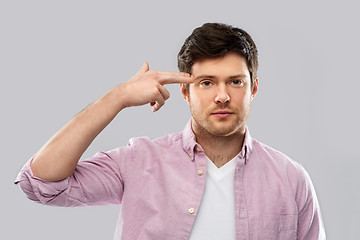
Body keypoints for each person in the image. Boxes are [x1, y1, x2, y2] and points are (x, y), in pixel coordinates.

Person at [15, 23, 326, 240]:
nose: (221, 96)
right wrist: (118, 96)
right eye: (206, 82)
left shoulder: (291, 178)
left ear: (253, 88)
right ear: (185, 92)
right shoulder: (140, 161)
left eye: (235, 81)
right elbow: (41, 183)